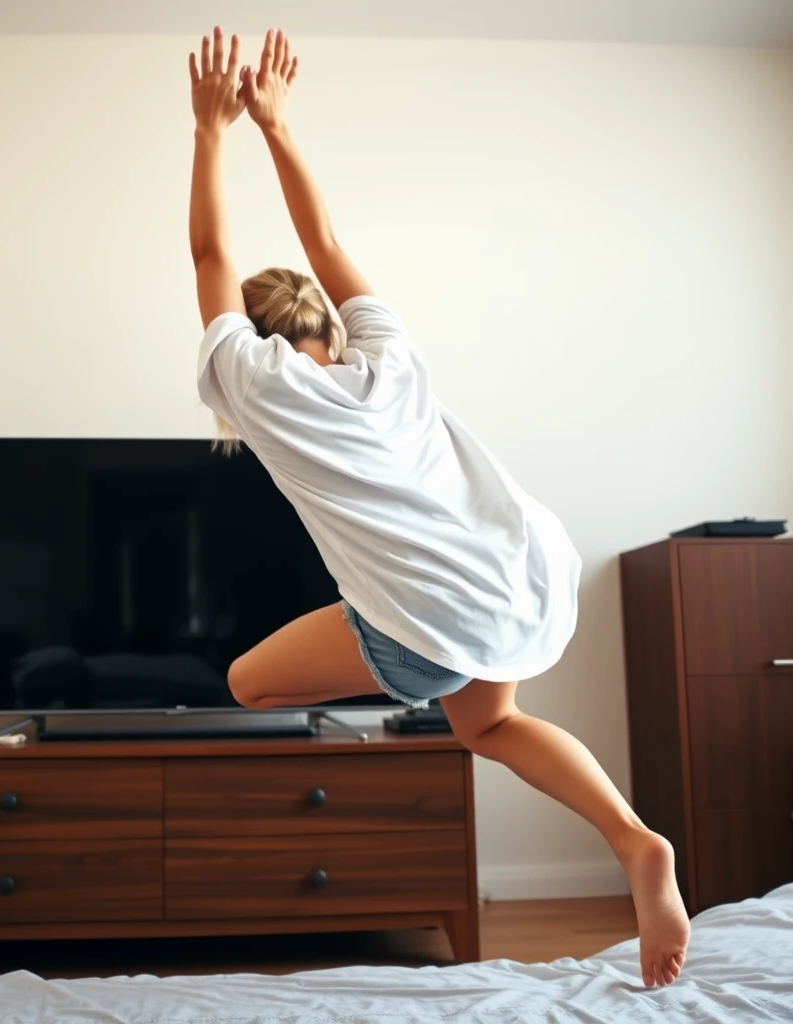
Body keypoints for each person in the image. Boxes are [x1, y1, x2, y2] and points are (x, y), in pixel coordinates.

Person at [187, 26, 690, 988]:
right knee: (488, 726)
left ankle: (399, 684)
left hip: (436, 618)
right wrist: (272, 126)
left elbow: (209, 245)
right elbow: (324, 242)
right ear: (328, 325)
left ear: (252, 340)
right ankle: (633, 840)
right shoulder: (389, 357)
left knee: (248, 685)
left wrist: (205, 130)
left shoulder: (255, 387)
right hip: (531, 578)